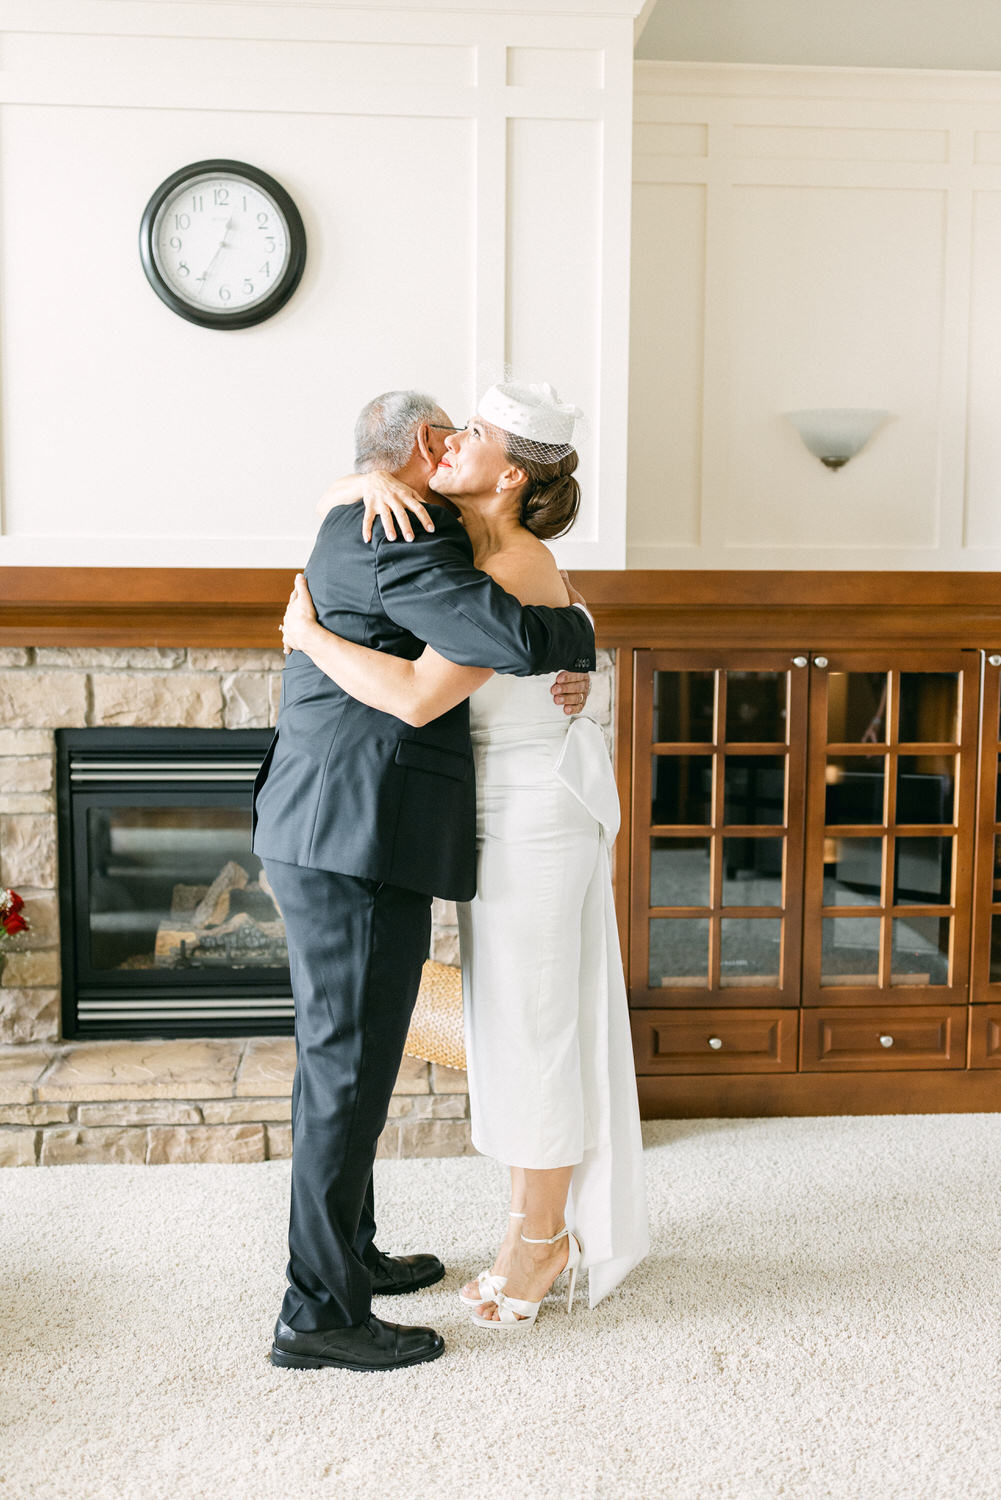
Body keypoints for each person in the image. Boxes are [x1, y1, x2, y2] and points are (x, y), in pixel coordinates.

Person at [281, 379, 649, 1332]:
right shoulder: (444, 537)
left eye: (470, 436)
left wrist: (306, 635)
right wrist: (358, 481)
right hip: (484, 816)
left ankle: (540, 1243)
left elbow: (415, 696)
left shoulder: (513, 566)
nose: (445, 445)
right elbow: (345, 494)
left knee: (533, 1029)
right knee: (510, 1028)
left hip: (533, 817)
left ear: (512, 471)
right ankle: (519, 1232)